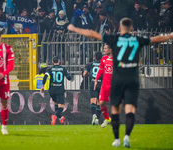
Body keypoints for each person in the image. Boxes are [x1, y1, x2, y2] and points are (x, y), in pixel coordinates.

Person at [67, 18, 173, 147]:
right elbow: (156, 39)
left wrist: (75, 29)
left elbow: (93, 34)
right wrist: (170, 35)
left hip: (118, 80)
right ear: (132, 29)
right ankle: (127, 136)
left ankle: (117, 139)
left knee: (115, 110)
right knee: (129, 110)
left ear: (119, 28)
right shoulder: (136, 40)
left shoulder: (115, 40)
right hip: (132, 80)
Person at [40, 56, 73, 125]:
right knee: (61, 106)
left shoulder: (50, 69)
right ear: (59, 61)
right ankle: (55, 116)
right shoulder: (63, 69)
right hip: (60, 89)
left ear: (52, 62)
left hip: (52, 90)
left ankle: (60, 118)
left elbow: (45, 76)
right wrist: (71, 77)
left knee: (56, 103)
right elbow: (69, 77)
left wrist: (42, 86)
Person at [94, 45, 112, 128]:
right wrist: (96, 80)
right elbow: (100, 70)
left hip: (114, 85)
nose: (104, 50)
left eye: (105, 48)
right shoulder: (103, 59)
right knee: (101, 103)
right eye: (103, 48)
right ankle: (107, 118)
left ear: (110, 49)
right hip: (105, 84)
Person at [83, 52, 102, 125]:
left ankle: (93, 115)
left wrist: (89, 75)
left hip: (93, 83)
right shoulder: (103, 64)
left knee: (93, 100)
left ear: (95, 57)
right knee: (99, 102)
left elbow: (84, 74)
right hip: (101, 84)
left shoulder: (90, 64)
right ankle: (97, 118)